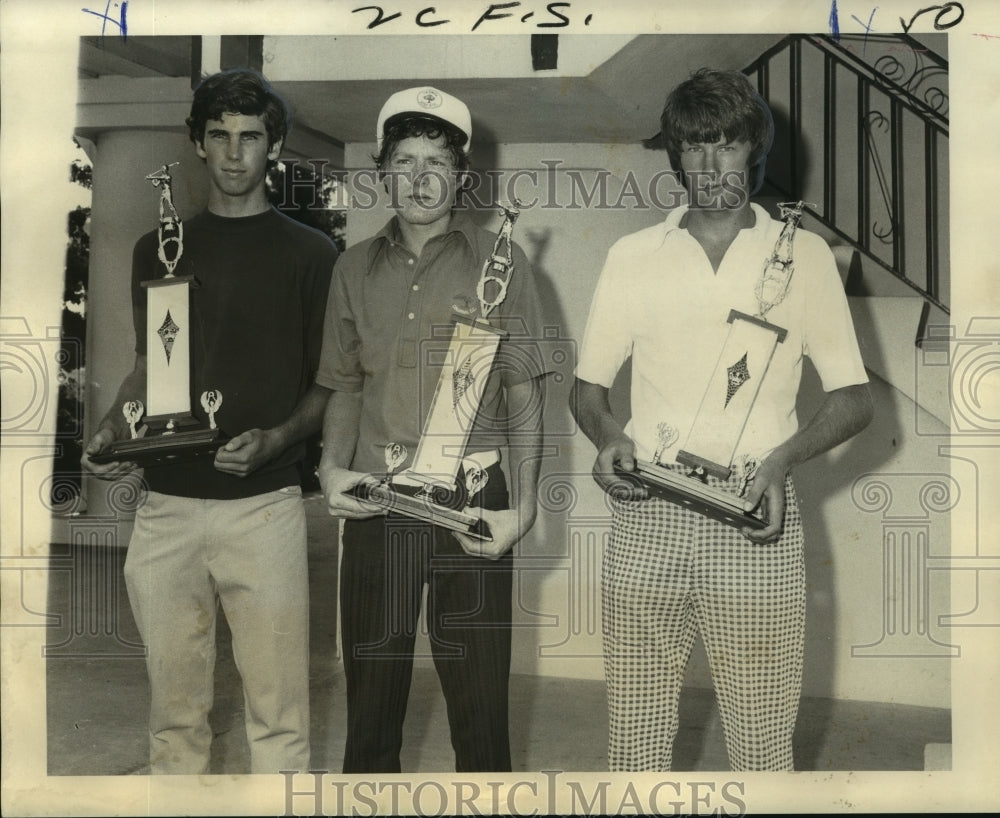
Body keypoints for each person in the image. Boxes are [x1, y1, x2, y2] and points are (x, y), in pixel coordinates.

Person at [570, 67, 873, 772]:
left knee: (762, 745)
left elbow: (855, 400)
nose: (710, 165)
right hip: (647, 513)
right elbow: (587, 391)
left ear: (752, 150)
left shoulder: (804, 258)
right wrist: (610, 437)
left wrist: (781, 462)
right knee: (635, 742)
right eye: (695, 145)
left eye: (726, 144)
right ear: (676, 153)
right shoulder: (632, 256)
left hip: (753, 514)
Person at [81, 68, 338, 774]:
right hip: (165, 511)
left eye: (250, 137)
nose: (234, 154)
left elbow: (331, 382)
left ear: (274, 147)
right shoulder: (156, 250)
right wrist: (110, 429)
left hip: (266, 511)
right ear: (197, 142)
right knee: (174, 717)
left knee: (279, 717)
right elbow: (148, 368)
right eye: (218, 136)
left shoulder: (313, 256)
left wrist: (281, 438)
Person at [317, 86, 551, 773]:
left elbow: (524, 386)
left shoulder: (502, 263)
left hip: (474, 498)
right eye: (405, 160)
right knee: (370, 719)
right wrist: (332, 468)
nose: (420, 178)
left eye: (437, 163)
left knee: (480, 721)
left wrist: (526, 508)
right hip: (378, 502)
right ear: (382, 170)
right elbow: (343, 385)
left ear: (462, 176)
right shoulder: (351, 267)